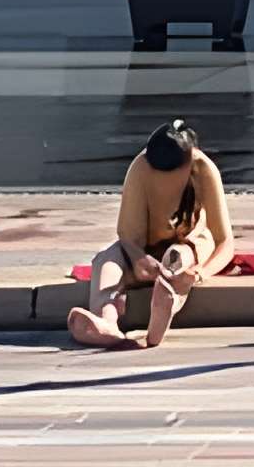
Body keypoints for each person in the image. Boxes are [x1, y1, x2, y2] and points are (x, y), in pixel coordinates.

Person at [65, 120, 234, 351]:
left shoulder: (204, 169)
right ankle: (106, 321)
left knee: (176, 260)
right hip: (145, 248)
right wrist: (137, 258)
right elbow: (127, 234)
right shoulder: (140, 167)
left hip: (187, 245)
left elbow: (225, 241)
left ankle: (166, 301)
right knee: (107, 261)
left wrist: (199, 273)